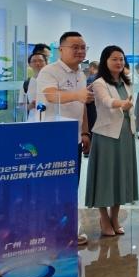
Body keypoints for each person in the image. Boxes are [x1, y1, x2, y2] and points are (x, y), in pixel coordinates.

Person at [36, 31, 93, 246]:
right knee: (53, 187)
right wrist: (78, 95)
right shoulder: (50, 71)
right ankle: (49, 232)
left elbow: (82, 106)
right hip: (52, 139)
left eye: (83, 47)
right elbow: (50, 95)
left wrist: (85, 132)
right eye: (75, 47)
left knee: (71, 186)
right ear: (61, 49)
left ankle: (69, 229)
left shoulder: (80, 74)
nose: (80, 51)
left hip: (74, 139)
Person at [85, 45, 139, 237]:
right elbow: (106, 101)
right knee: (105, 178)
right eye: (114, 59)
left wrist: (126, 106)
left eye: (121, 59)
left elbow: (130, 108)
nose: (119, 62)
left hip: (126, 135)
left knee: (120, 178)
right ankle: (104, 217)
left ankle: (114, 217)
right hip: (106, 136)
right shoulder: (99, 83)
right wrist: (121, 104)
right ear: (105, 61)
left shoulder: (127, 82)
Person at [19, 51, 47, 121]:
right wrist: (30, 106)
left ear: (46, 63)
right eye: (34, 61)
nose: (38, 63)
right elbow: (21, 106)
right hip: (33, 120)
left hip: (51, 120)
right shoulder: (26, 83)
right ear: (30, 64)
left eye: (41, 61)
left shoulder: (53, 81)